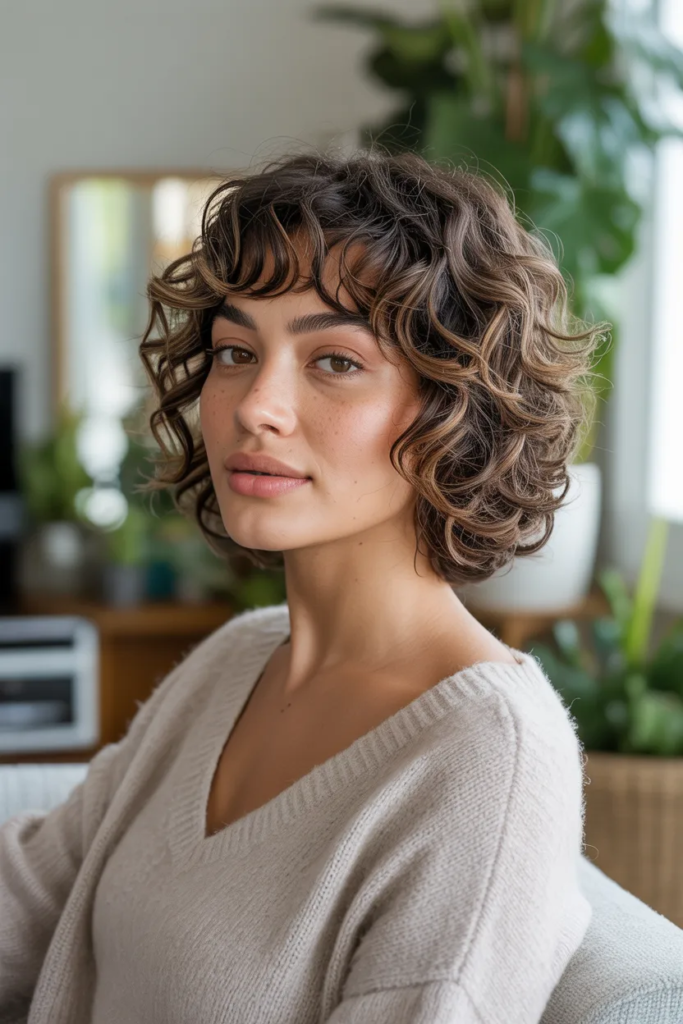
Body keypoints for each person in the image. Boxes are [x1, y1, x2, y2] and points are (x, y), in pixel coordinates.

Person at [1, 148, 604, 1023]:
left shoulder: (486, 759)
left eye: (334, 362)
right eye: (236, 351)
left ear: (455, 405)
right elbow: (29, 901)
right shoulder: (235, 661)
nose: (255, 406)